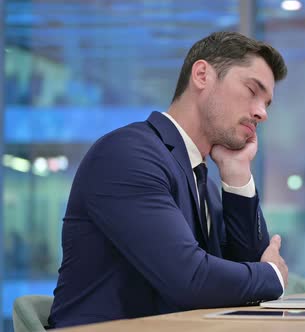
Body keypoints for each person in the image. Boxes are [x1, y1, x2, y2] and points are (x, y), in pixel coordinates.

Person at [48, 31, 289, 328]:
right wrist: (273, 274)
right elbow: (190, 279)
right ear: (202, 75)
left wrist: (237, 174)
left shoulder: (204, 183)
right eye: (253, 91)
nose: (261, 113)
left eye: (267, 103)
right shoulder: (127, 154)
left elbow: (248, 281)